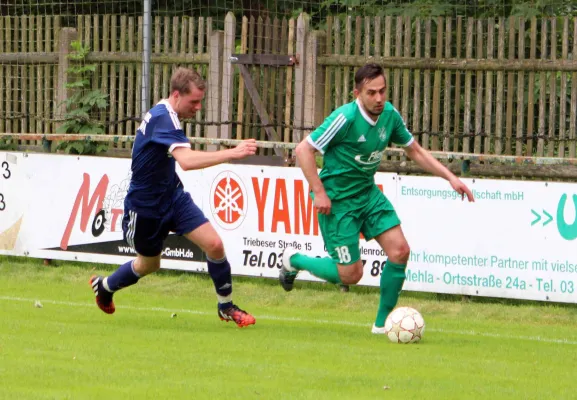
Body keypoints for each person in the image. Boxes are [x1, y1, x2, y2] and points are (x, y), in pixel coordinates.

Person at [279, 63, 474, 333]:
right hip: (338, 203)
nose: (379, 98)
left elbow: (414, 151)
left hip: (368, 194)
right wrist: (319, 192)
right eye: (372, 92)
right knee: (351, 274)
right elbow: (303, 150)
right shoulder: (344, 118)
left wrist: (450, 177)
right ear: (357, 92)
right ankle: (294, 260)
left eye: (383, 91)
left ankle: (382, 325)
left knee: (400, 251)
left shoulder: (390, 115)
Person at [90, 67, 257, 328]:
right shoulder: (163, 118)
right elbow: (187, 161)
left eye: (201, 101)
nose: (198, 107)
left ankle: (226, 307)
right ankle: (105, 286)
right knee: (149, 264)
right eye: (194, 101)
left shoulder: (168, 114)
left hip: (173, 197)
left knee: (214, 244)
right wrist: (232, 153)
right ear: (176, 95)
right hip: (144, 208)